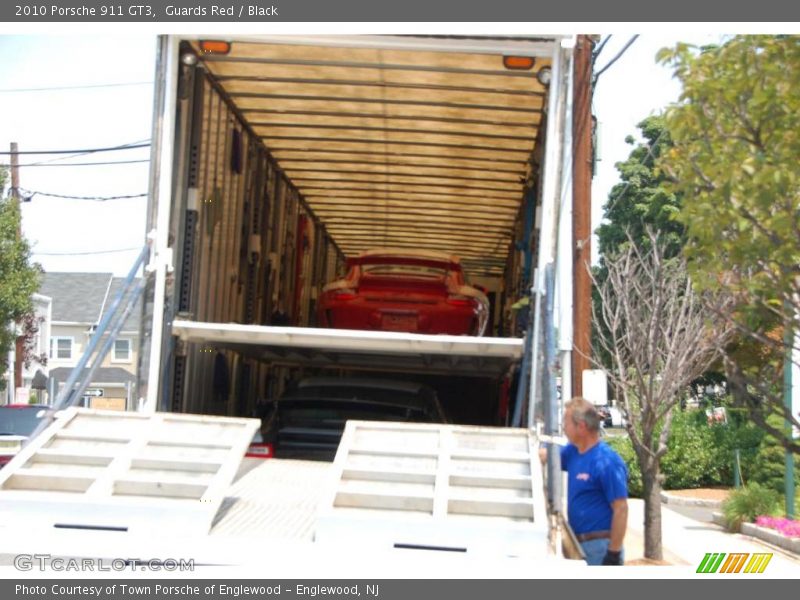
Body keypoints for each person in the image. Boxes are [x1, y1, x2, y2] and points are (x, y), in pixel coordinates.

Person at [545, 397, 629, 565]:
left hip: (600, 548)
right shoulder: (573, 453)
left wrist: (613, 552)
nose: (563, 428)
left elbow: (621, 508)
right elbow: (548, 457)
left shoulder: (607, 462)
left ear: (581, 426)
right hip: (578, 547)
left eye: (566, 423)